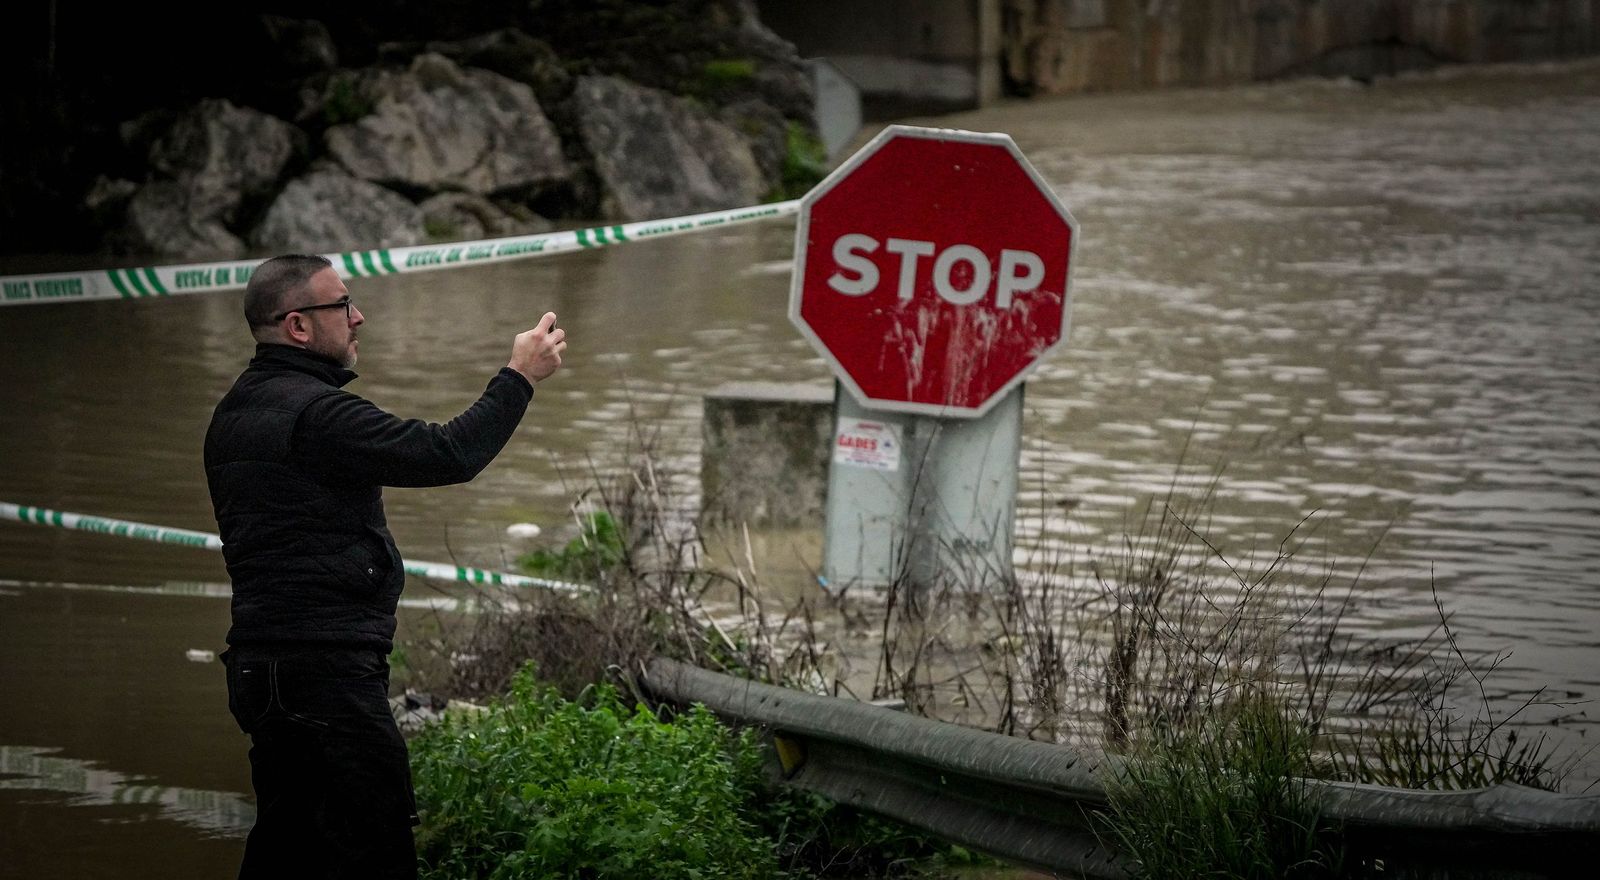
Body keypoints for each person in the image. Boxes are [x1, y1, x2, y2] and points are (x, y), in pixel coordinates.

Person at [204, 254, 566, 878]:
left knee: (286, 847)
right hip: (324, 672)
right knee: (372, 846)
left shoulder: (233, 412)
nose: (358, 317)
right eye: (342, 305)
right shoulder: (318, 415)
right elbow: (447, 452)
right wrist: (519, 376)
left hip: (262, 670)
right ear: (297, 326)